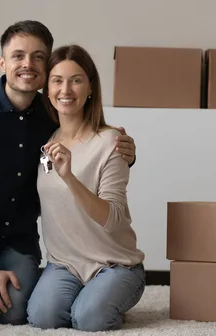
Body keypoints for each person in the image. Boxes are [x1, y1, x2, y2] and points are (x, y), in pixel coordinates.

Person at [0, 20, 137, 326]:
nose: (28, 64)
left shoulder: (51, 114)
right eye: (18, 56)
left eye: (38, 56)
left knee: (15, 313)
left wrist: (126, 154)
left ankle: (98, 293)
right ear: (3, 62)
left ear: (47, 66)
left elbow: (90, 143)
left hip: (16, 241)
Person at [26, 44, 146, 332]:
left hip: (115, 263)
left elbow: (113, 218)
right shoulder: (47, 141)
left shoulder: (111, 142)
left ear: (90, 87)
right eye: (57, 80)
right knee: (43, 317)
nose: (65, 89)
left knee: (88, 318)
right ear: (48, 90)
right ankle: (90, 297)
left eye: (76, 80)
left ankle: (103, 297)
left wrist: (69, 178)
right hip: (65, 265)